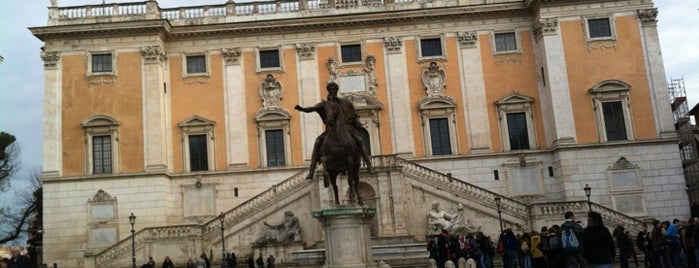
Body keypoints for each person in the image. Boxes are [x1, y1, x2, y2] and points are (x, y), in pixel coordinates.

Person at [294, 82, 374, 181]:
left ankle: (369, 165)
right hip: (330, 130)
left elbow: (354, 114)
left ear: (337, 90)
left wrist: (355, 124)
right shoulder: (325, 104)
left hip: (347, 128)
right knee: (318, 142)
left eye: (334, 89)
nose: (332, 91)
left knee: (359, 140)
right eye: (330, 89)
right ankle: (311, 170)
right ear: (328, 91)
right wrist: (301, 109)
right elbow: (312, 108)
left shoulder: (345, 102)